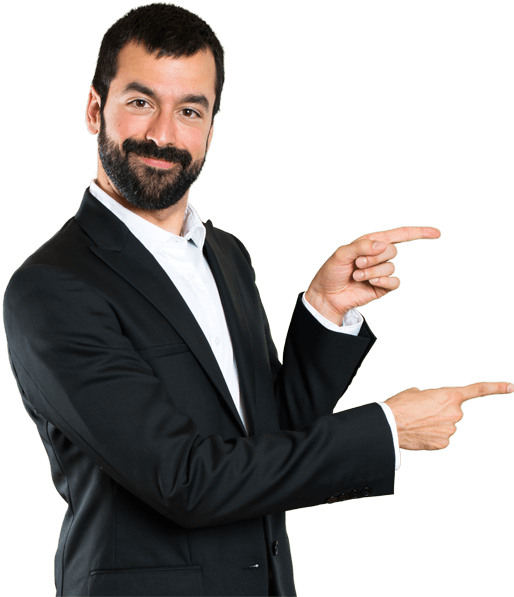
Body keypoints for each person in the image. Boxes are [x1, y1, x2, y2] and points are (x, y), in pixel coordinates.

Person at [3, 3, 512, 597]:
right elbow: (185, 481)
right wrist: (387, 429)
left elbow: (270, 441)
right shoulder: (52, 288)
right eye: (141, 102)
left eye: (189, 110)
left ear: (211, 127)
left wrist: (324, 309)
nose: (164, 134)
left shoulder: (226, 253)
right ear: (95, 108)